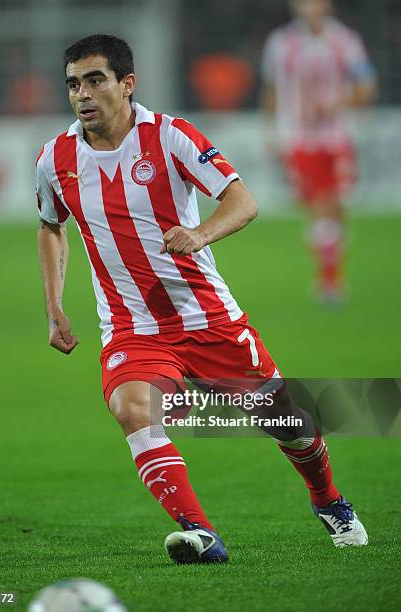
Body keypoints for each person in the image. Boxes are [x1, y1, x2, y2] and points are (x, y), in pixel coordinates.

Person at [36, 34, 367, 564]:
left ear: (127, 84)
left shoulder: (171, 136)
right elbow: (51, 226)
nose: (82, 94)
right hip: (132, 327)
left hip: (206, 315)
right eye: (73, 83)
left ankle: (329, 500)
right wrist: (54, 305)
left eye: (95, 80)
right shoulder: (55, 158)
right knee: (131, 407)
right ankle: (200, 532)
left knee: (288, 423)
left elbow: (243, 201)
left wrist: (201, 233)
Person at [261, 0, 377, 303]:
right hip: (299, 138)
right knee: (320, 204)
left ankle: (330, 275)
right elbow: (272, 89)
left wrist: (339, 103)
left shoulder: (345, 41)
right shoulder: (281, 43)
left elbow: (366, 86)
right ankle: (330, 281)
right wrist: (271, 131)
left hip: (338, 137)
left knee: (336, 207)